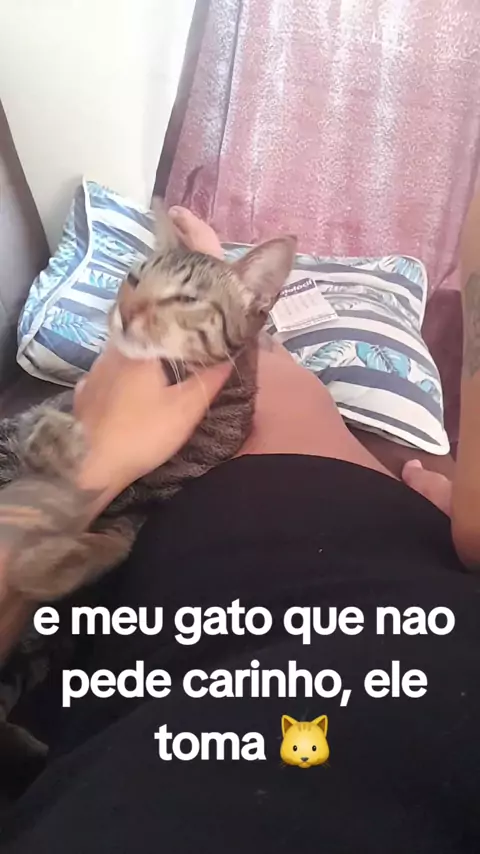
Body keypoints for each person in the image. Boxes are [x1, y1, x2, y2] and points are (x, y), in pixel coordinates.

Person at [0, 203, 479, 853]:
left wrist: (85, 471)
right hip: (406, 568)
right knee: (270, 376)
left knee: (260, 380)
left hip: (284, 571)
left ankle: (230, 294)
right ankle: (226, 289)